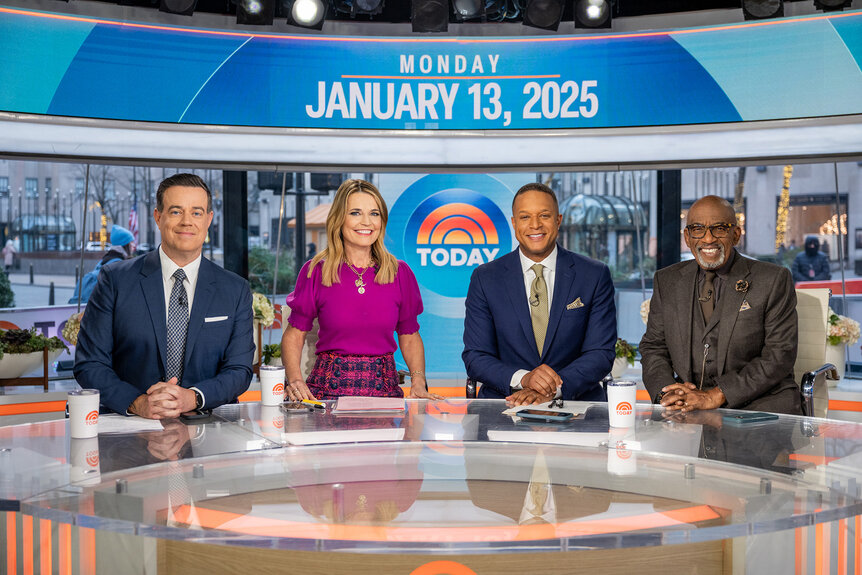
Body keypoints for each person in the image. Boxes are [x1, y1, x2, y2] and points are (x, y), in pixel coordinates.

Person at [74, 173, 254, 419]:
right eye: (176, 211)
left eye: (197, 212)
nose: (187, 222)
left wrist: (192, 397)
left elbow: (239, 369)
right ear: (158, 217)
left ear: (209, 219)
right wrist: (137, 403)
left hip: (208, 429)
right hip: (130, 428)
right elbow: (90, 364)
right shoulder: (114, 280)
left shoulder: (235, 289)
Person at [640, 195, 801, 415]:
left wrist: (716, 395)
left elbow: (779, 354)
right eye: (697, 229)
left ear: (736, 235)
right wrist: (668, 394)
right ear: (687, 237)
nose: (708, 239)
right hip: (689, 407)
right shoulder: (666, 281)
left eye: (719, 229)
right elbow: (654, 347)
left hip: (759, 406)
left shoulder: (772, 280)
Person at [282, 178, 440, 401]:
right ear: (339, 219)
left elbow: (410, 335)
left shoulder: (400, 272)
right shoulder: (316, 271)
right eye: (355, 213)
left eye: (374, 214)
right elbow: (294, 335)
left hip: (384, 393)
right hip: (327, 393)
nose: (366, 222)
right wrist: (296, 380)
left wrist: (418, 381)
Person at [462, 182, 617, 405]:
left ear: (558, 220)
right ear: (514, 223)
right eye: (525, 217)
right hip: (505, 405)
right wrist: (525, 379)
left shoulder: (594, 274)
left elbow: (600, 353)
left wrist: (552, 388)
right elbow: (476, 356)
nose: (535, 225)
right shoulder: (485, 278)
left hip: (576, 405)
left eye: (544, 215)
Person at [68, 225, 136, 304]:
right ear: (125, 245)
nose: (133, 246)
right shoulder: (120, 265)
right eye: (131, 243)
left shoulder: (104, 261)